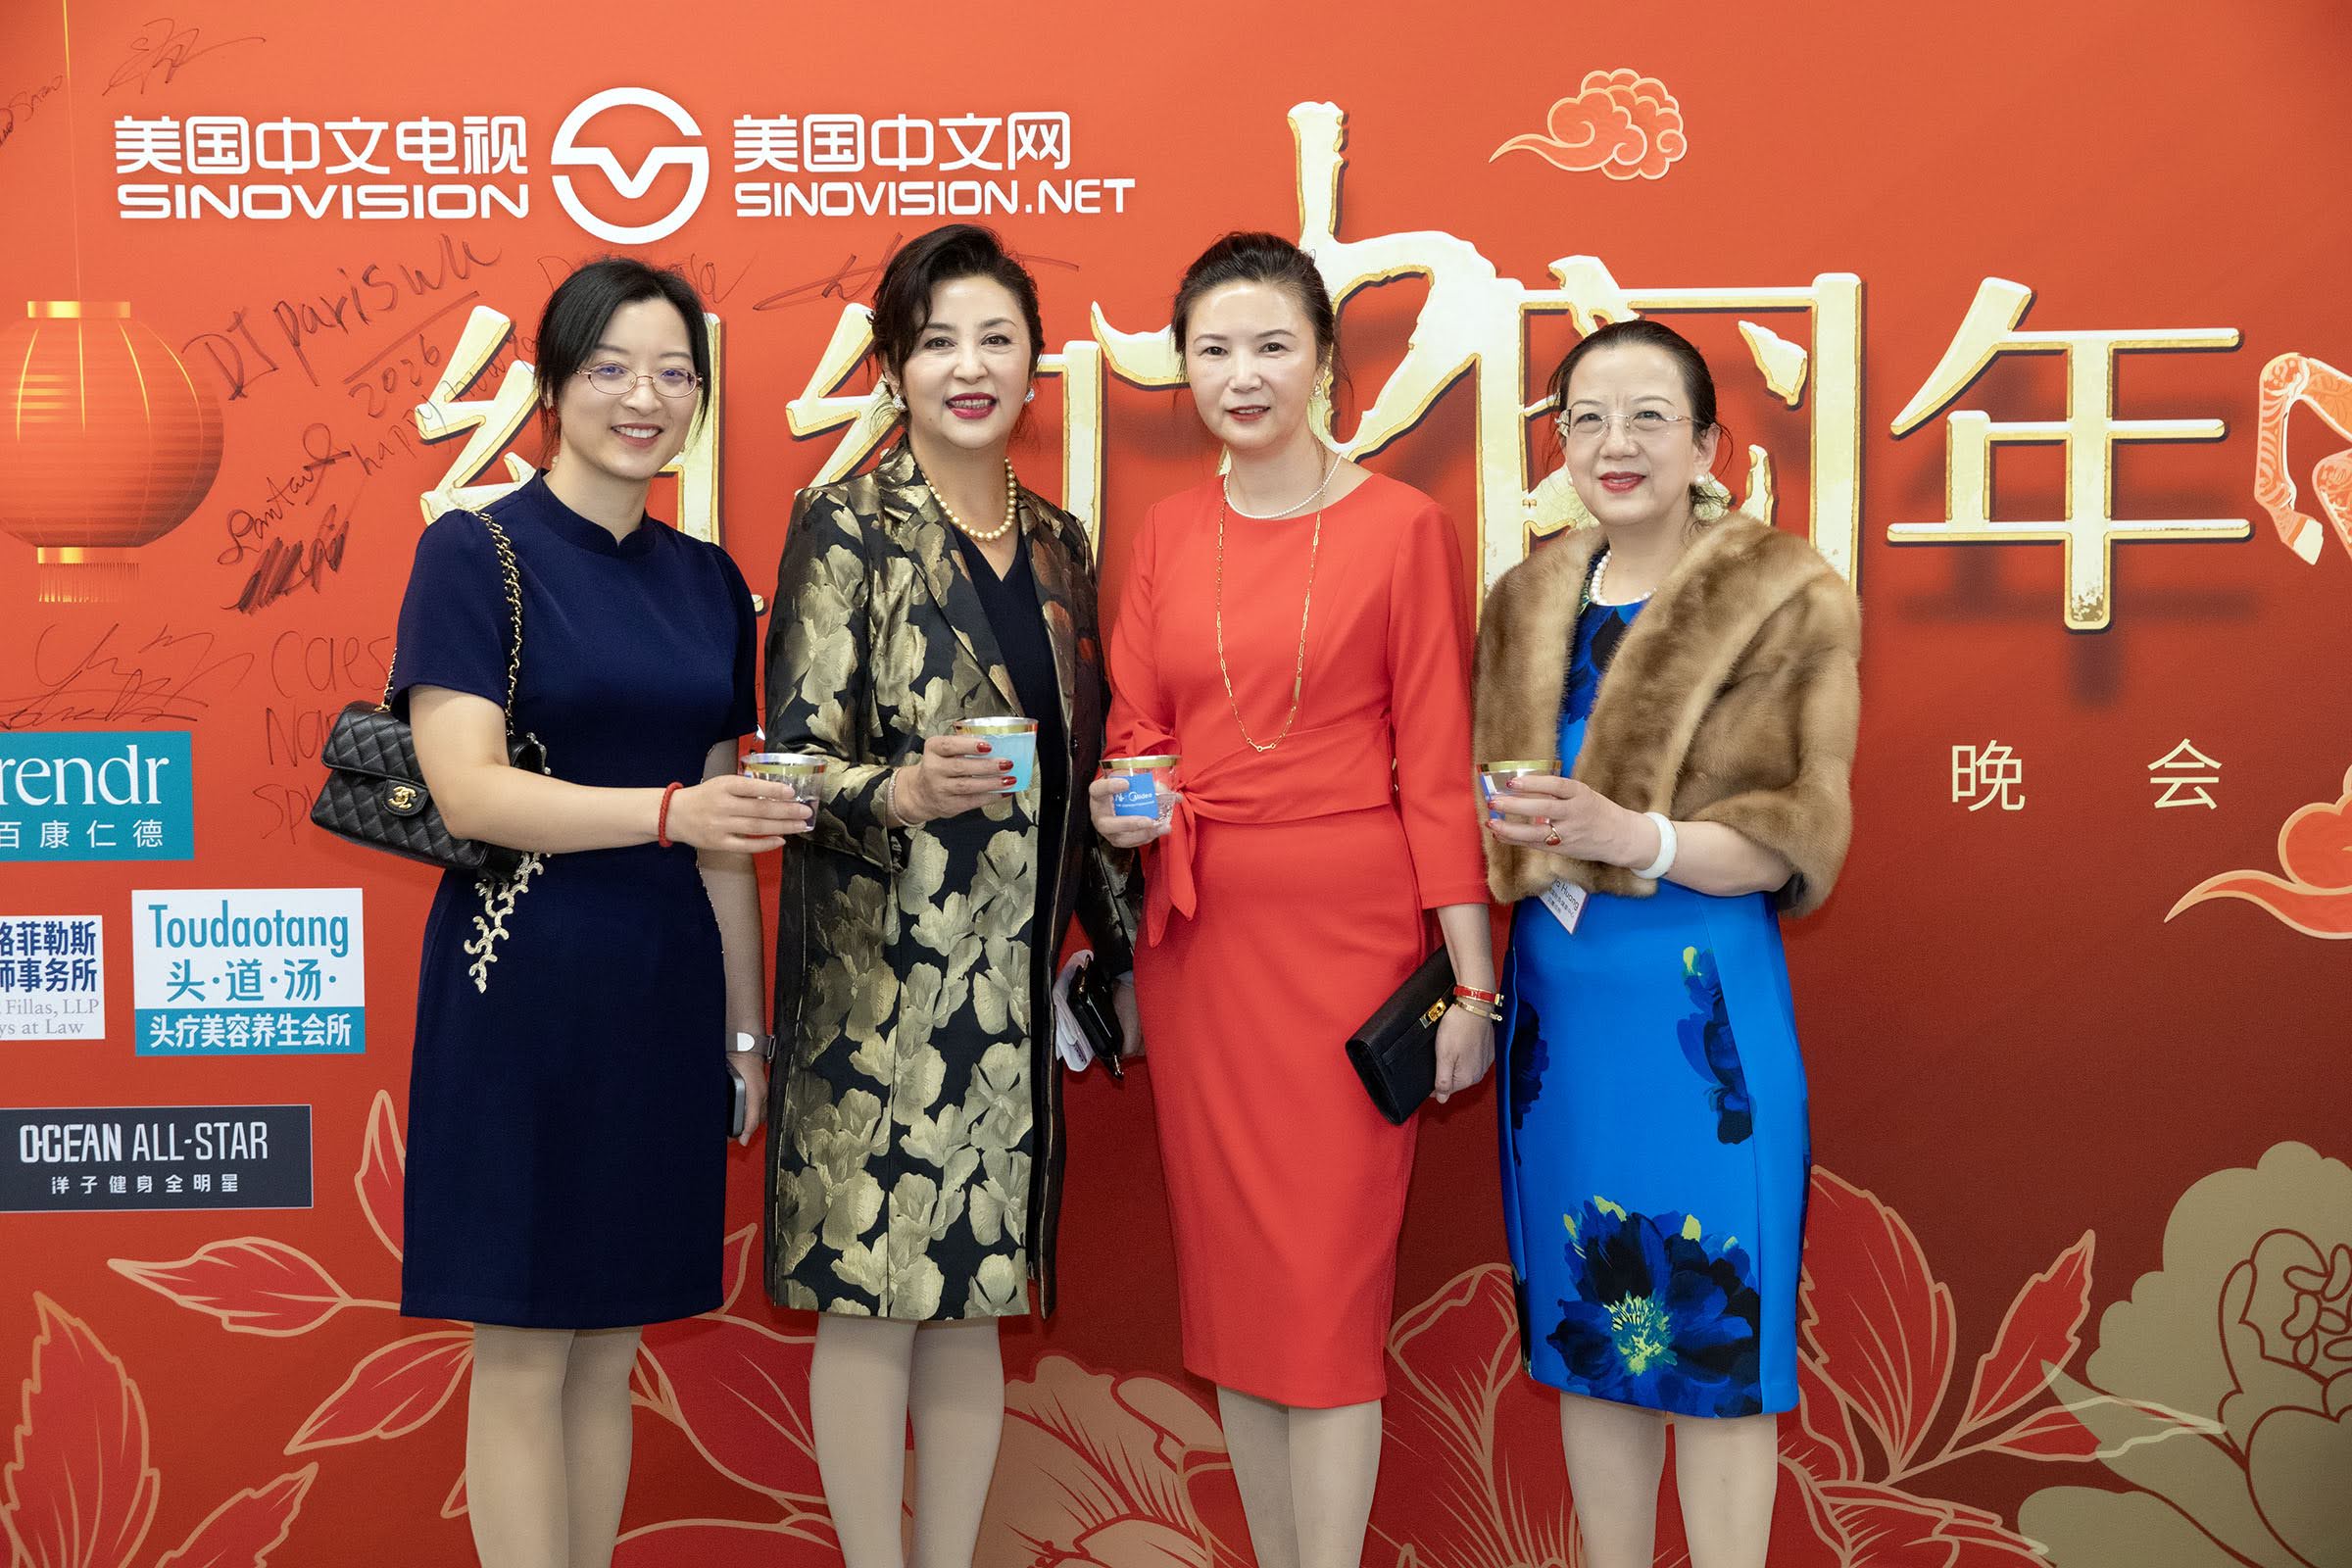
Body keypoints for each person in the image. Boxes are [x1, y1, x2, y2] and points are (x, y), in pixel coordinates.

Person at [394, 258, 808, 1568]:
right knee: (523, 1346)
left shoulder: (707, 580)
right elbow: (469, 790)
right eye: (612, 369)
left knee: (612, 1344)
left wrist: (743, 1034)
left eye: (675, 373)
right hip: (519, 984)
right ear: (552, 388)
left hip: (661, 991)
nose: (645, 398)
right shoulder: (475, 552)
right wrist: (667, 811)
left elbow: (730, 834)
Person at [1091, 231, 1494, 1568]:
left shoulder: (1403, 529)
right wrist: (1123, 801)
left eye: (1272, 345)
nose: (1243, 375)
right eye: (1214, 350)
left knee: (1323, 1304)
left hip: (1349, 945)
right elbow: (1138, 733)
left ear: (1324, 359)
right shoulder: (1168, 533)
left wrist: (1472, 984)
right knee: (1240, 1311)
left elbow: (1438, 768)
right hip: (1204, 948)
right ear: (1183, 368)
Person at [762, 222, 1138, 1568]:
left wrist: (1121, 919)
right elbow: (790, 768)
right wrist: (900, 790)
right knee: (870, 1302)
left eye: (996, 340)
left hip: (1008, 996)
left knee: (975, 1301)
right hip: (875, 988)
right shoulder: (845, 524)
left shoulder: (1060, 543)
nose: (969, 368)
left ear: (1037, 367)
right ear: (892, 368)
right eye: (937, 343)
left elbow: (1085, 762)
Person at [1474, 318, 1861, 1568]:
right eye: (1586, 418)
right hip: (1561, 1033)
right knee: (1594, 1340)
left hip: (1703, 1028)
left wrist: (1628, 835)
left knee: (1715, 1347)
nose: (1615, 443)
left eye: (1649, 416)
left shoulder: (1782, 596)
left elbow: (1791, 839)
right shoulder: (1525, 601)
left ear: (1707, 445)